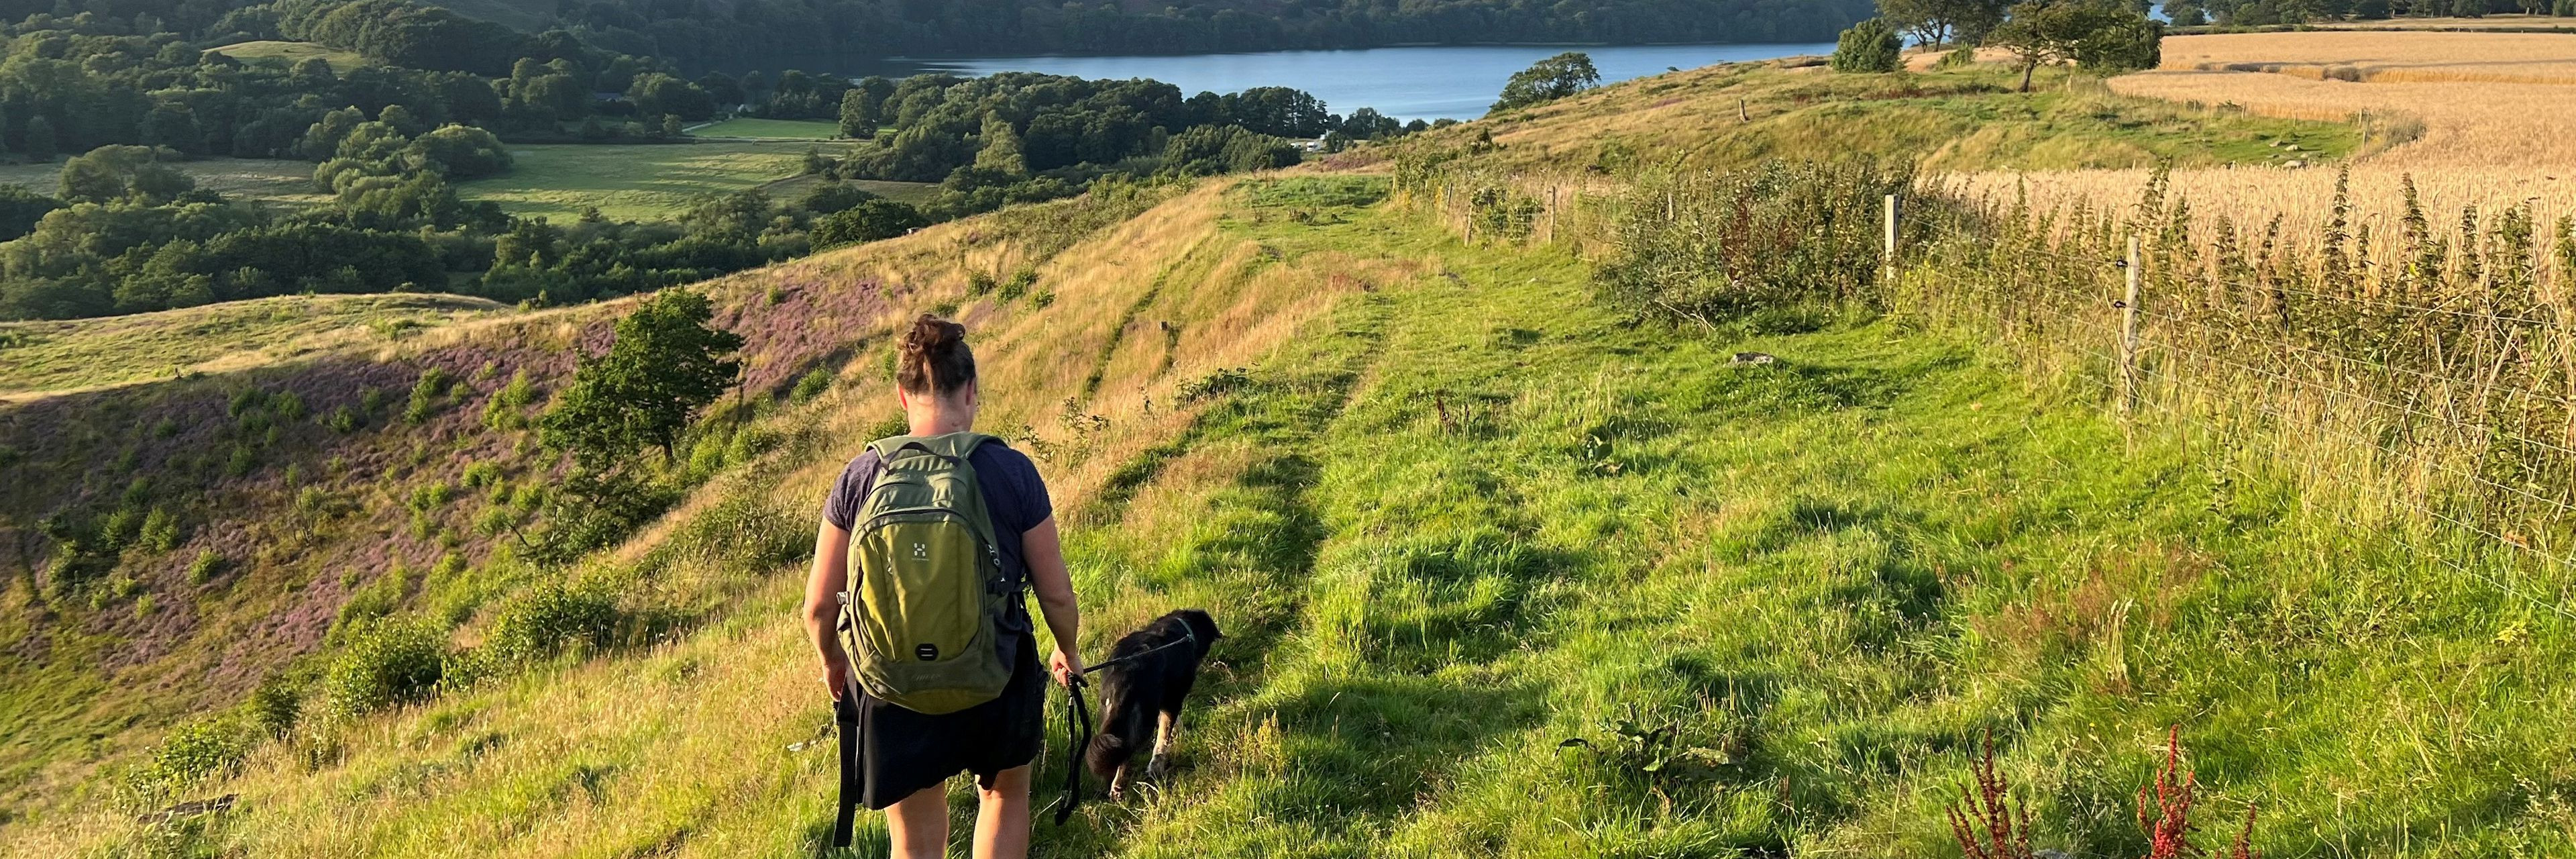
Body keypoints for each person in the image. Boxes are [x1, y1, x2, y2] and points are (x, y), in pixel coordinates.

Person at [802, 314, 1083, 859]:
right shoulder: (1011, 470)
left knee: (914, 836)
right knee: (1004, 794)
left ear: (902, 398)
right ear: (972, 391)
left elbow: (818, 605)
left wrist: (832, 660)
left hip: (892, 681)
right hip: (994, 672)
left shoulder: (861, 477)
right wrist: (1066, 650)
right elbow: (1056, 595)